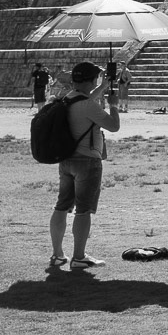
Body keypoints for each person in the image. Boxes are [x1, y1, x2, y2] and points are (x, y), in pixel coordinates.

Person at [49, 62, 121, 270]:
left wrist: (104, 87)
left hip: (66, 160)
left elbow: (84, 100)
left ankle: (57, 254)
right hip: (87, 161)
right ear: (90, 80)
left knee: (62, 206)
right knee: (83, 210)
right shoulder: (89, 105)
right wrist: (114, 105)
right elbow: (114, 126)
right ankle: (79, 256)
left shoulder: (66, 98)